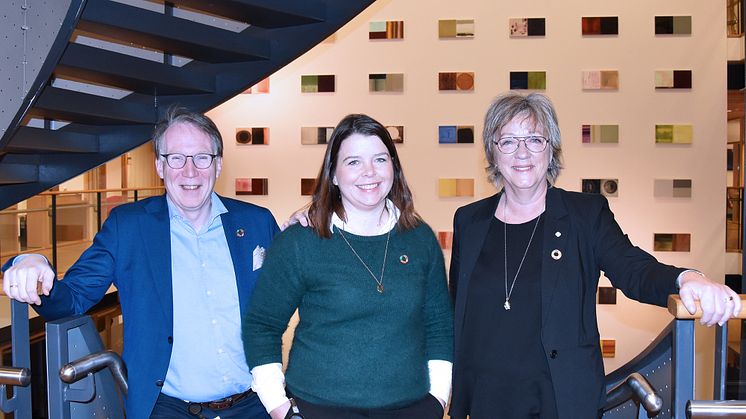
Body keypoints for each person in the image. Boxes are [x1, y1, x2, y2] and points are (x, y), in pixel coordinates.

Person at [448, 92, 742, 419]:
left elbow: (634, 269)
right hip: (486, 398)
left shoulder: (584, 215)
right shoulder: (469, 220)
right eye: (509, 141)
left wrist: (687, 278)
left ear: (551, 148)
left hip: (559, 399)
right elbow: (456, 308)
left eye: (534, 139)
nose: (522, 152)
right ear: (492, 150)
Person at [2, 108, 278, 419]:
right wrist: (31, 261)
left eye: (202, 157)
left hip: (255, 405)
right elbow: (71, 299)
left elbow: (296, 290)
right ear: (160, 165)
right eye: (176, 158)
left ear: (218, 164)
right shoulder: (128, 226)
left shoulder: (257, 222)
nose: (190, 171)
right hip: (166, 409)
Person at [243, 114, 453, 419]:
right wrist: (279, 407)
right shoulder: (301, 241)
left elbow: (439, 325)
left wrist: (438, 398)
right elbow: (262, 325)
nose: (369, 172)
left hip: (411, 408)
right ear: (335, 175)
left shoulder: (419, 239)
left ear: (393, 167)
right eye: (353, 162)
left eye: (380, 159)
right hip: (319, 409)